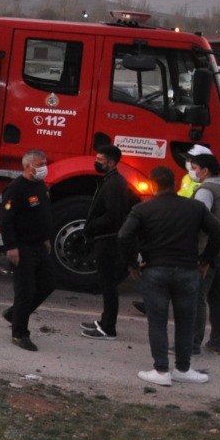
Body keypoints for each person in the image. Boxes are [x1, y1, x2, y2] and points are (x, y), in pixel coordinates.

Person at [118, 165, 220, 387]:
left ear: (153, 184)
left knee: (157, 322)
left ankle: (161, 370)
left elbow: (124, 236)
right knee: (185, 321)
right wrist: (206, 260)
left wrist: (132, 264)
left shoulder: (142, 209)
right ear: (175, 184)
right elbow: (218, 232)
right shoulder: (195, 208)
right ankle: (183, 368)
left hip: (155, 270)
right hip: (187, 271)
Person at [80, 144, 139, 340]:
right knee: (106, 283)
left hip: (107, 241)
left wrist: (91, 226)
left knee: (108, 285)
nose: (96, 162)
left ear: (111, 162)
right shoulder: (111, 180)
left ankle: (108, 328)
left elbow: (113, 216)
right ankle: (105, 321)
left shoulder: (114, 184)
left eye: (100, 160)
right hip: (105, 239)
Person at [0, 149, 52, 352]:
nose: (44, 167)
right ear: (28, 166)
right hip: (23, 247)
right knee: (25, 291)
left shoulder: (40, 185)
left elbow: (44, 213)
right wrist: (11, 246)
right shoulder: (16, 188)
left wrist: (46, 237)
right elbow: (5, 219)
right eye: (40, 164)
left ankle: (14, 314)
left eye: (45, 163)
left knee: (49, 283)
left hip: (40, 245)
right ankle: (19, 333)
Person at [186, 151, 220, 355]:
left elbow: (198, 219)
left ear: (205, 171)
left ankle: (192, 343)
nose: (193, 172)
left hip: (207, 252)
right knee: (218, 298)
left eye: (195, 168)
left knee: (197, 297)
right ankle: (217, 341)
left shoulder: (206, 190)